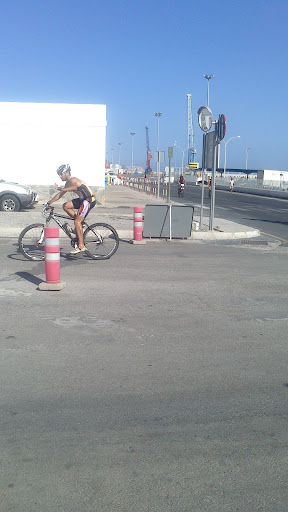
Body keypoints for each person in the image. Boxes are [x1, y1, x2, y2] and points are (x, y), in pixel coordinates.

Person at [47, 164, 96, 254]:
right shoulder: (67, 183)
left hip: (89, 200)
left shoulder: (73, 180)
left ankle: (81, 246)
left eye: (61, 174)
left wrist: (62, 188)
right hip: (82, 200)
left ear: (67, 173)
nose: (60, 176)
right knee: (65, 206)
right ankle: (80, 223)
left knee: (76, 222)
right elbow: (60, 194)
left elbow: (75, 187)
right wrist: (50, 202)